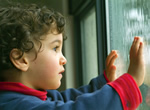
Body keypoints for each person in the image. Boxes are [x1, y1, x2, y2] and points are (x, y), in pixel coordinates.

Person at [0, 2, 145, 110]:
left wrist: (103, 82)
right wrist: (129, 83)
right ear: (21, 59)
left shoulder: (30, 96)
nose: (64, 59)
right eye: (55, 48)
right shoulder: (15, 105)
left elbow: (66, 99)